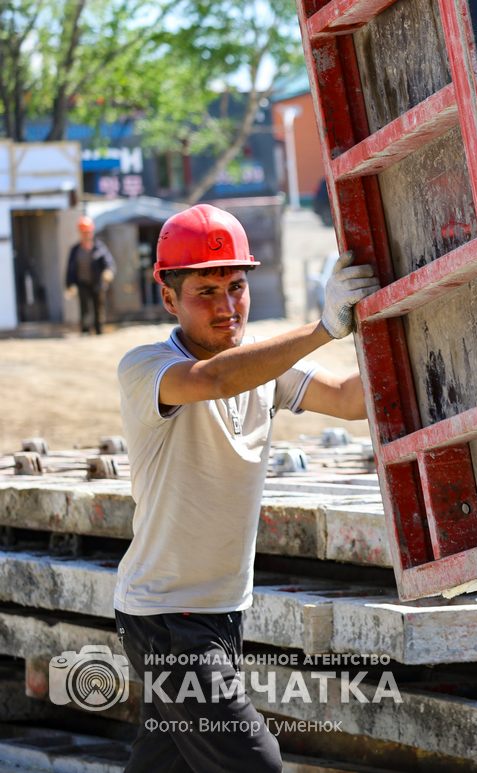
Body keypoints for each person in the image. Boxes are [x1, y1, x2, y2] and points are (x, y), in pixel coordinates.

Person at [114, 204, 379, 772]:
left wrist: (405, 312)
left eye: (235, 286)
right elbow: (212, 379)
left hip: (222, 612)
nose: (225, 306)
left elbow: (352, 400)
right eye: (204, 291)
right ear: (168, 298)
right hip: (168, 617)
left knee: (164, 765)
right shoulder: (147, 367)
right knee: (254, 764)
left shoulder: (261, 369)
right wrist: (322, 328)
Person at [65, 215, 115, 334]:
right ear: (80, 233)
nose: (86, 235)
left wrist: (108, 272)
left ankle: (99, 330)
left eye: (87, 232)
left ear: (91, 232)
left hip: (97, 282)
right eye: (83, 232)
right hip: (82, 282)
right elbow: (70, 269)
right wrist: (69, 285)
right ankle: (86, 330)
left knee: (98, 307)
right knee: (84, 308)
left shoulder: (99, 247)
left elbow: (109, 262)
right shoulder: (75, 250)